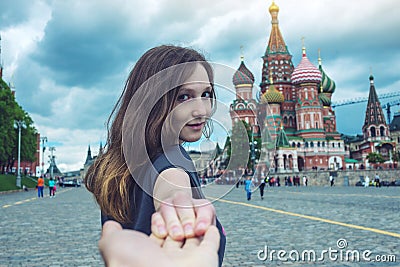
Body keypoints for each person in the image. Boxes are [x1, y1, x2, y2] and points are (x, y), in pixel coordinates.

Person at [84, 45, 225, 266]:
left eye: (205, 94)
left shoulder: (121, 165)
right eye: (183, 96)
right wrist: (180, 213)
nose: (202, 110)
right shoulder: (171, 162)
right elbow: (172, 190)